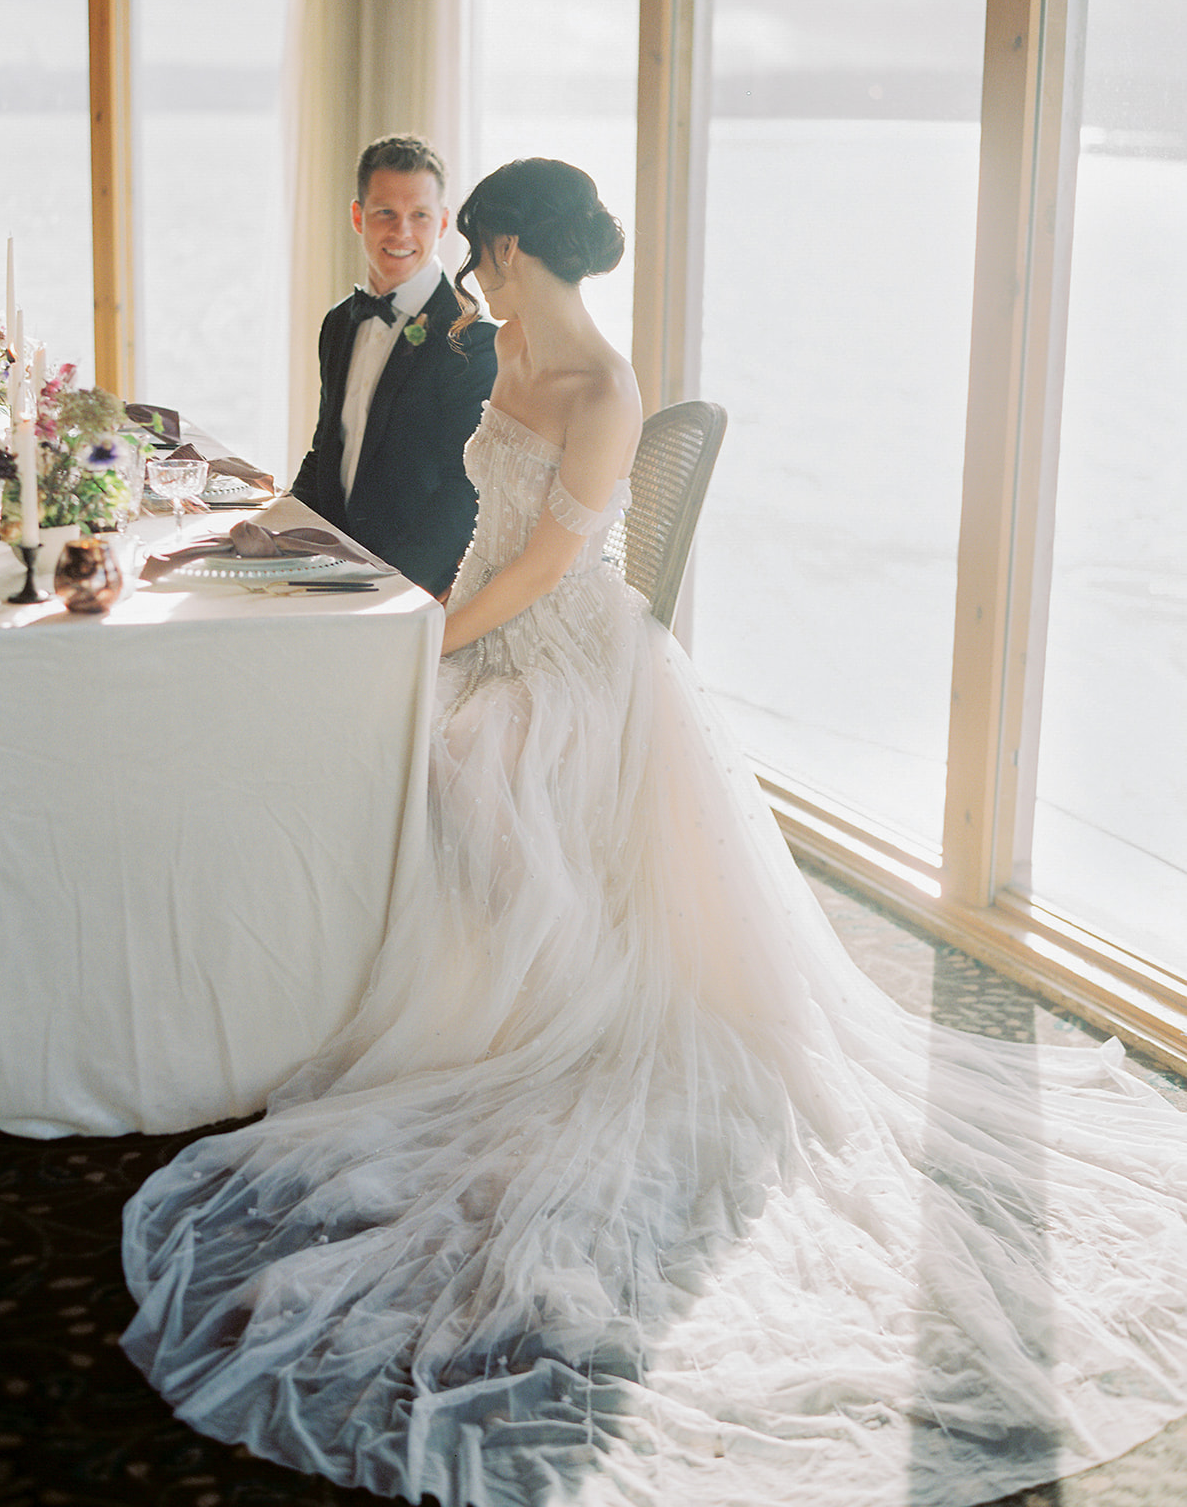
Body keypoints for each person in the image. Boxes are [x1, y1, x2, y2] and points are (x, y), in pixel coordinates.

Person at [123, 160, 1187, 1507]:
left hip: (569, 654)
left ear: (508, 248)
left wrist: (431, 653)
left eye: (474, 246)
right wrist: (408, 624)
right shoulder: (494, 346)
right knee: (379, 749)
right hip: (485, 620)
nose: (465, 268)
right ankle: (371, 975)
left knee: (470, 753)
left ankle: (502, 1009)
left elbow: (548, 569)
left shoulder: (606, 392)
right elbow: (464, 525)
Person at [290, 133, 497, 596]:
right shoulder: (339, 322)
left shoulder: (473, 340)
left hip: (410, 585)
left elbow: (464, 494)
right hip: (333, 571)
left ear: (442, 222)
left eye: (419, 216)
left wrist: (389, 589)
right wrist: (277, 535)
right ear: (357, 216)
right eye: (385, 212)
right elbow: (327, 452)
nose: (401, 232)